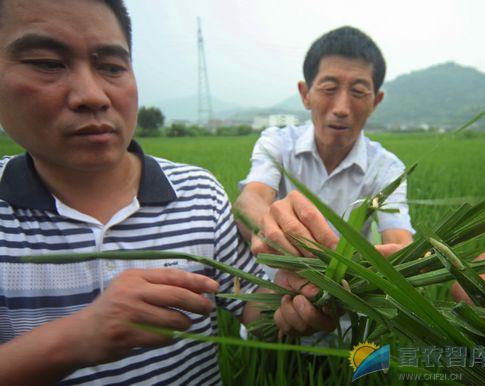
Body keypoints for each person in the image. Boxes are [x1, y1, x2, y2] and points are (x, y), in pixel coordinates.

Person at [0, 1, 335, 385]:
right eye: (47, 62)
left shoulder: (198, 194)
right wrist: (75, 339)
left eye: (111, 67)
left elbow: (258, 316)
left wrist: (312, 296)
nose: (92, 95)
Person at [236, 26, 414, 268]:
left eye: (359, 92)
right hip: (281, 279)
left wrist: (402, 259)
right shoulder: (277, 143)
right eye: (329, 89)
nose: (341, 108)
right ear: (305, 93)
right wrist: (267, 227)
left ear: (375, 102)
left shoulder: (387, 168)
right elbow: (251, 199)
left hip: (348, 288)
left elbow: (397, 234)